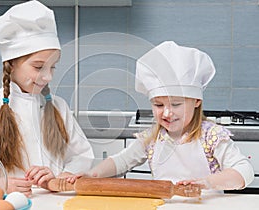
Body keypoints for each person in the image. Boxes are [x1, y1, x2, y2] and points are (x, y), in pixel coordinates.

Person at [67, 41, 254, 192]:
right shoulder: (152, 138)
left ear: (196, 101)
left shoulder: (211, 136)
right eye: (158, 104)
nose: (166, 112)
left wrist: (208, 183)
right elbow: (120, 161)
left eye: (176, 104)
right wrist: (91, 174)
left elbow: (244, 170)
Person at [0, 0, 94, 197]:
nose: (48, 77)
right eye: (39, 67)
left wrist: (59, 177)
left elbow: (83, 156)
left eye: (53, 67)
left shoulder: (58, 106)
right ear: (12, 64)